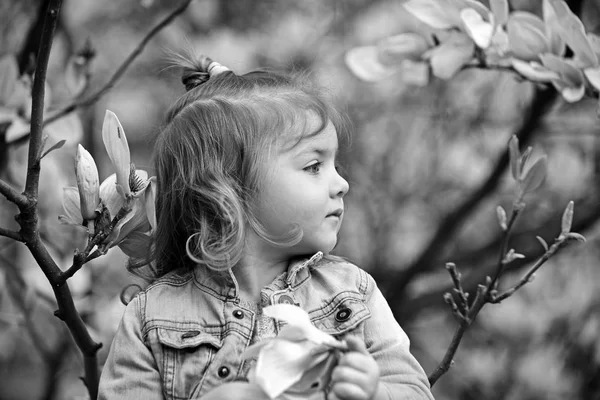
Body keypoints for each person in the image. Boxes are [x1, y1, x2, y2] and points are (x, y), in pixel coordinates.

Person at [98, 53, 434, 400]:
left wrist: (375, 391)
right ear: (228, 187)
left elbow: (414, 390)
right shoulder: (152, 315)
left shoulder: (351, 293)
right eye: (314, 165)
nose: (341, 184)